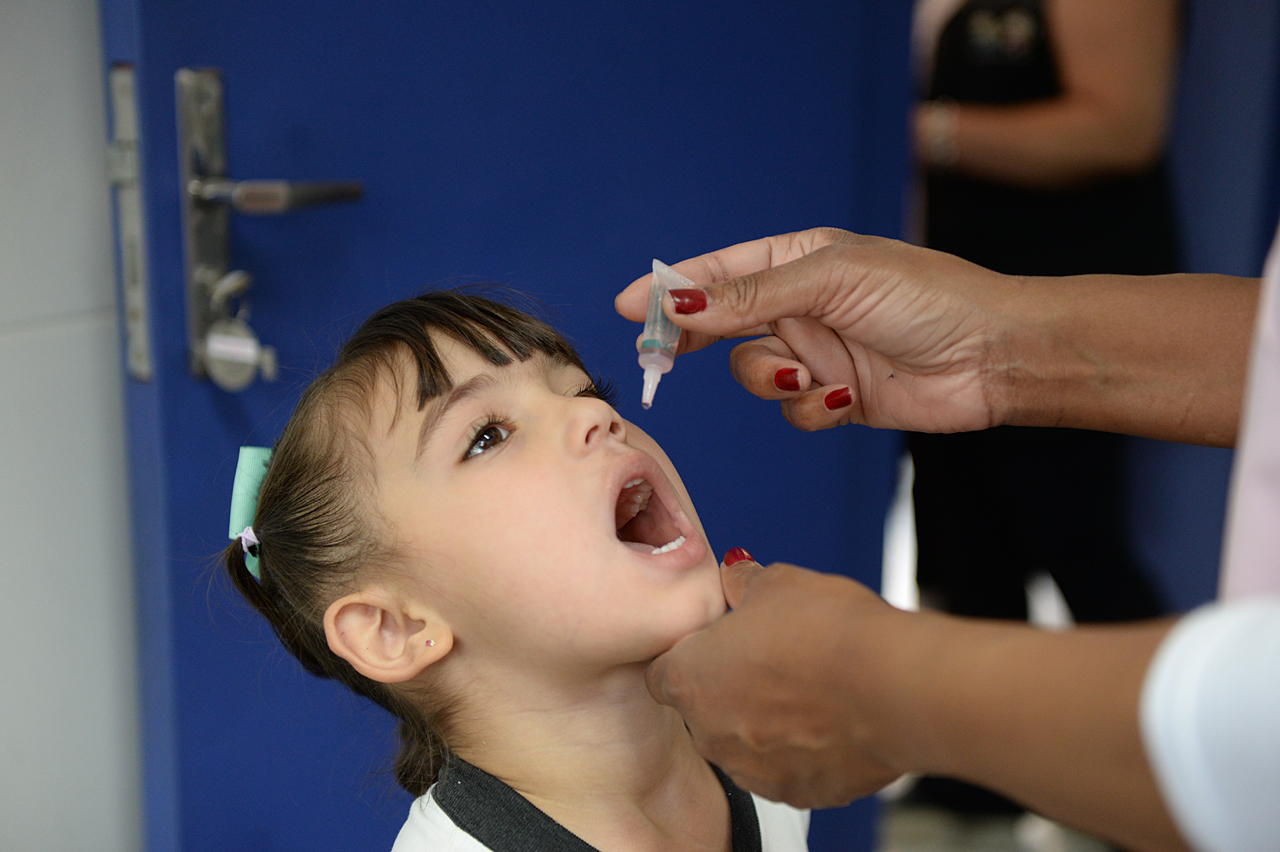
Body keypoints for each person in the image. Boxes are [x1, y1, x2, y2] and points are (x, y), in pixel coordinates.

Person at [613, 226, 1279, 852]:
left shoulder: (766, 810)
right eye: (500, 433)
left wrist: (879, 689)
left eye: (587, 390)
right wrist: (998, 346)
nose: (596, 418)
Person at [222, 290, 810, 852]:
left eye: (585, 390)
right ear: (393, 628)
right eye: (486, 437)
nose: (595, 415)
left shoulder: (776, 756)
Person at [908, 0, 1182, 823]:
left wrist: (925, 131)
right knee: (966, 541)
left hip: (1070, 302)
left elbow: (1121, 127)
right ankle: (978, 773)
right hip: (952, 296)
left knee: (1072, 534)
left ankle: (1169, 770)